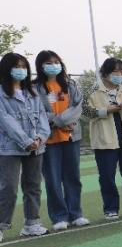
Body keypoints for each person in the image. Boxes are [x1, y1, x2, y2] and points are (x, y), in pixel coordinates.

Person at [84, 58, 122, 220]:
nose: (119, 75)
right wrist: (106, 110)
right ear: (105, 73)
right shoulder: (93, 90)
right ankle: (111, 208)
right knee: (107, 176)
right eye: (115, 72)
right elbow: (85, 112)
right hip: (105, 140)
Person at [33, 50, 89, 230]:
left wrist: (63, 121)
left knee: (73, 177)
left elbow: (77, 107)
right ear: (41, 66)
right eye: (49, 63)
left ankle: (76, 214)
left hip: (71, 137)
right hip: (49, 140)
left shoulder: (70, 84)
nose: (53, 66)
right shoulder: (35, 88)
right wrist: (59, 122)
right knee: (53, 180)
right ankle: (59, 217)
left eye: (56, 62)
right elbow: (37, 111)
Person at [0, 53, 51, 241]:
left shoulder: (32, 92)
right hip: (9, 148)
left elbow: (43, 118)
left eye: (23, 67)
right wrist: (26, 141)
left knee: (33, 185)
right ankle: (1, 224)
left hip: (36, 147)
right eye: (16, 66)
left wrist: (39, 138)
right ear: (6, 69)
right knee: (8, 187)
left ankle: (32, 223)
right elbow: (6, 121)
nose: (21, 70)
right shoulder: (1, 94)